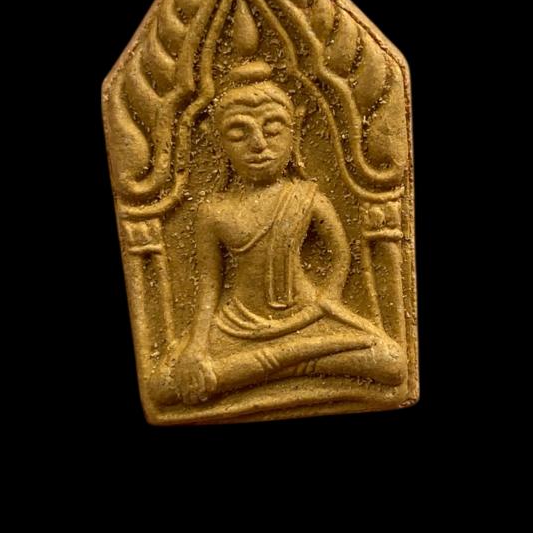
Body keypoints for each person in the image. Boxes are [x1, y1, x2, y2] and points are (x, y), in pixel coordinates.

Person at [153, 61, 405, 405]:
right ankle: (301, 367)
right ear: (217, 142)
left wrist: (328, 299)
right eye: (239, 134)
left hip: (306, 317)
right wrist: (196, 346)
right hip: (237, 326)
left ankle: (260, 372)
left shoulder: (307, 196)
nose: (258, 144)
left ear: (294, 133)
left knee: (391, 360)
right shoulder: (212, 211)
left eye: (272, 130)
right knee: (164, 384)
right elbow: (210, 285)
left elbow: (340, 254)